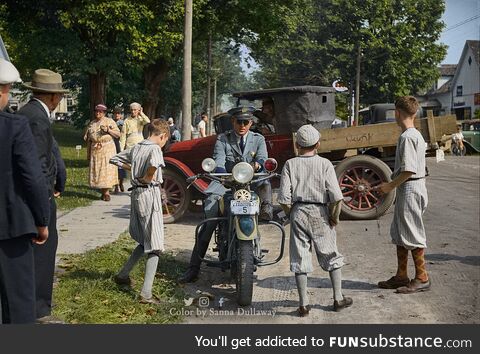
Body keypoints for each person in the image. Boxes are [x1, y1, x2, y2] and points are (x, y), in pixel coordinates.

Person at [179, 106, 273, 283]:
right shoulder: (223, 139)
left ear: (251, 123)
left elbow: (262, 158)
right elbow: (219, 161)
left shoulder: (258, 139)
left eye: (246, 122)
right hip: (225, 183)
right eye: (239, 122)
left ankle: (264, 214)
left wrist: (255, 166)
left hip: (249, 183)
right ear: (233, 122)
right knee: (210, 219)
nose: (243, 125)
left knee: (261, 193)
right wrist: (224, 175)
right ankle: (193, 268)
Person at [278, 124, 352, 316]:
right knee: (330, 255)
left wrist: (291, 213)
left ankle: (303, 304)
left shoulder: (290, 164)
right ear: (318, 144)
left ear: (297, 144)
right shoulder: (325, 164)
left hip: (298, 211)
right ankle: (337, 298)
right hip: (320, 212)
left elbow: (284, 198)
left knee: (300, 256)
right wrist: (334, 218)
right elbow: (336, 197)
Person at [0, 59, 50, 324]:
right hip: (11, 227)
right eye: (7, 89)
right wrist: (42, 220)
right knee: (18, 303)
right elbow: (32, 178)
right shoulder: (14, 126)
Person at [16, 68, 65, 323]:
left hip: (35, 196)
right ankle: (38, 309)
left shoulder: (29, 113)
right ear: (54, 97)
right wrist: (44, 203)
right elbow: (37, 165)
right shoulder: (36, 118)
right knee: (43, 254)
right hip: (39, 199)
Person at [109, 119, 170, 304]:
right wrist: (147, 176)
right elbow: (153, 166)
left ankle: (122, 275)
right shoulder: (155, 149)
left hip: (136, 194)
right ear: (162, 136)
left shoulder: (137, 147)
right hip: (148, 193)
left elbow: (115, 159)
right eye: (165, 140)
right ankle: (146, 294)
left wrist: (134, 169)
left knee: (145, 241)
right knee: (156, 246)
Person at [376, 96, 430, 294]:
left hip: (410, 188)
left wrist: (390, 186)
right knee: (400, 232)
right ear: (415, 113)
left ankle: (422, 277)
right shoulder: (416, 134)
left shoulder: (407, 137)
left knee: (413, 233)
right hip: (413, 187)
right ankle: (401, 276)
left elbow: (408, 170)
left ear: (397, 113)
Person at [83, 104, 120, 201]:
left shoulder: (109, 121)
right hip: (96, 149)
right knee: (98, 170)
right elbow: (88, 135)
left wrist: (108, 130)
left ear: (104, 113)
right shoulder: (92, 123)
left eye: (100, 112)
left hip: (107, 148)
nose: (98, 113)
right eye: (96, 111)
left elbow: (118, 134)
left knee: (106, 170)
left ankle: (106, 192)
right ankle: (102, 191)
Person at [112, 107, 126, 193]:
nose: (117, 115)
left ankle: (121, 182)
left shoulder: (124, 123)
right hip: (112, 145)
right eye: (115, 113)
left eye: (119, 113)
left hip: (121, 144)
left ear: (121, 115)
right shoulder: (111, 122)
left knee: (121, 165)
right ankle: (116, 185)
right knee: (114, 165)